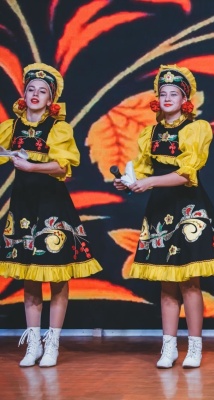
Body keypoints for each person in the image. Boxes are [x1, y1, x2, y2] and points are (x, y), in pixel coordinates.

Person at [114, 64, 214, 369]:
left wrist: (149, 182)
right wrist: (129, 182)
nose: (167, 98)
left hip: (187, 208)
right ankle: (168, 347)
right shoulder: (150, 133)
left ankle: (194, 347)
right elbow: (142, 170)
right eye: (163, 93)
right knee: (166, 282)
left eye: (174, 93)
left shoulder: (196, 129)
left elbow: (186, 173)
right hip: (160, 210)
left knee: (189, 282)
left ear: (185, 100)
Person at [0, 63, 103, 367]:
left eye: (42, 91)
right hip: (23, 205)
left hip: (51, 205)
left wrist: (32, 166)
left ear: (51, 99)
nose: (35, 94)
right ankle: (33, 344)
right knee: (29, 275)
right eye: (31, 89)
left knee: (57, 275)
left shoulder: (58, 128)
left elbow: (63, 166)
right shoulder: (11, 127)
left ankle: (52, 342)